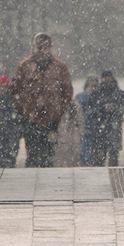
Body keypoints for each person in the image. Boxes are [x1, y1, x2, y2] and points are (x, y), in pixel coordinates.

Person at [12, 33, 74, 168]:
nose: (42, 47)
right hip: (31, 119)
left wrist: (59, 110)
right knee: (33, 155)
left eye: (45, 44)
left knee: (49, 154)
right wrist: (23, 110)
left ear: (50, 46)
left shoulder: (59, 67)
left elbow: (67, 92)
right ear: (34, 45)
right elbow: (15, 91)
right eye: (39, 44)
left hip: (52, 119)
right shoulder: (24, 66)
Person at [86, 68, 124, 166]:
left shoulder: (119, 93)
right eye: (104, 77)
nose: (106, 79)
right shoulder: (96, 94)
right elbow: (90, 110)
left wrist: (116, 109)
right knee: (99, 158)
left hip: (114, 128)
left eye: (108, 77)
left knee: (113, 157)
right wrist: (101, 109)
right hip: (100, 129)